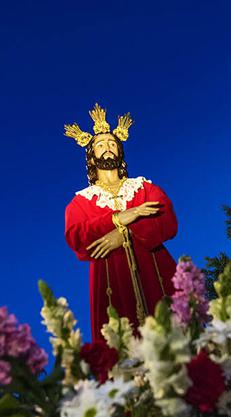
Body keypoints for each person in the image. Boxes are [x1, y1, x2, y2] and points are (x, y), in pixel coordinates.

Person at [64, 104, 178, 342]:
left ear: (120, 151)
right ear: (91, 156)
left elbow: (166, 218)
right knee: (122, 343)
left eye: (112, 143)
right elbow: (77, 238)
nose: (108, 147)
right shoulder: (81, 202)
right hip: (110, 279)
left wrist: (126, 233)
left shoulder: (144, 187)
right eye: (100, 144)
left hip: (155, 271)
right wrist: (118, 217)